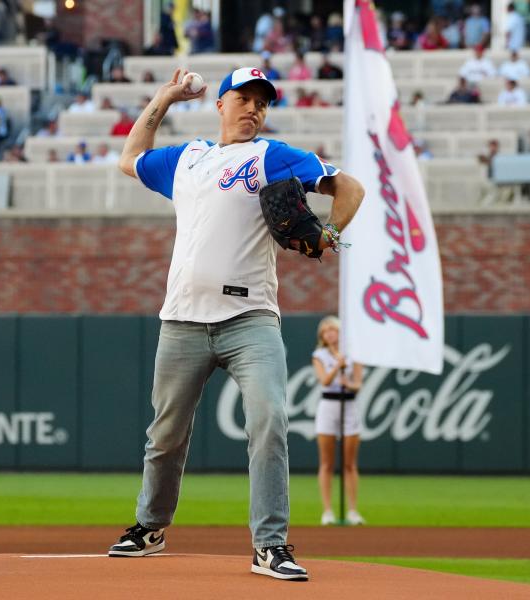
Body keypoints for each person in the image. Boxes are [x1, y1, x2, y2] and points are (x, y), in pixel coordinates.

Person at [107, 67, 365, 582]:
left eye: (262, 103)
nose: (253, 109)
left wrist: (330, 232)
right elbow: (128, 159)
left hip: (250, 319)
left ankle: (270, 545)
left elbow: (350, 189)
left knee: (269, 421)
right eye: (243, 98)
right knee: (166, 434)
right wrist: (166, 95)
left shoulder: (271, 155)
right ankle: (149, 527)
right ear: (220, 103)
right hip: (181, 320)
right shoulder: (187, 159)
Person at [311, 316, 365, 527]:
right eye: (326, 331)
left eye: (333, 330)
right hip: (329, 406)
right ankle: (327, 511)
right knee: (327, 462)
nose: (330, 334)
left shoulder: (354, 354)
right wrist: (337, 366)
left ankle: (352, 510)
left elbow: (358, 383)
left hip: (349, 405)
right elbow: (324, 380)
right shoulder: (319, 355)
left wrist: (349, 384)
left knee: (349, 463)